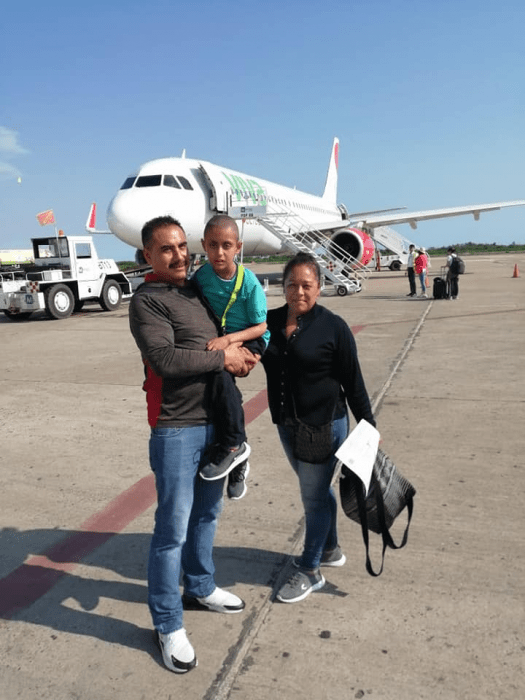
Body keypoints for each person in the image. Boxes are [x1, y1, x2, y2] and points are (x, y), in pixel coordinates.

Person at [129, 216, 255, 674]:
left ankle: (199, 586)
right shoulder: (147, 300)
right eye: (167, 249)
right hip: (176, 427)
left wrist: (240, 358)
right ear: (148, 256)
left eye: (182, 246)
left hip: (212, 423)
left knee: (208, 512)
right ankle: (167, 622)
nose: (179, 255)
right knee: (171, 530)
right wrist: (222, 357)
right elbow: (164, 358)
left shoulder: (193, 289)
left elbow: (222, 336)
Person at [261, 252, 376, 604]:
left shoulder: (333, 327)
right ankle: (330, 548)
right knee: (317, 490)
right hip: (286, 422)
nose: (299, 292)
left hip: (322, 425)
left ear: (320, 287)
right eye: (292, 284)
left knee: (312, 498)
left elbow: (352, 380)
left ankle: (311, 570)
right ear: (282, 287)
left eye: (307, 285)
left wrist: (369, 424)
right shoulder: (268, 321)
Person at [194, 215, 270, 500]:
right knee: (223, 391)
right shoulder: (201, 277)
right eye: (212, 246)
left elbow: (262, 326)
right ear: (204, 245)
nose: (219, 253)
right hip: (222, 339)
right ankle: (240, 456)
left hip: (250, 338)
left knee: (219, 373)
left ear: (238, 247)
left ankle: (233, 447)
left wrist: (229, 341)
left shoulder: (248, 282)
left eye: (227, 245)